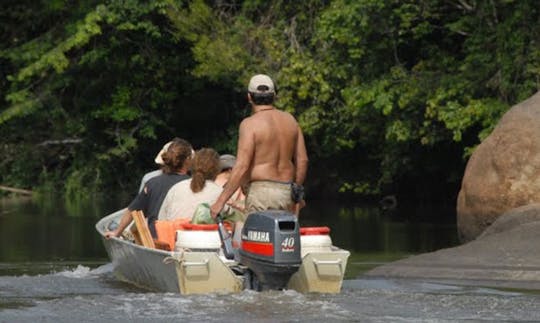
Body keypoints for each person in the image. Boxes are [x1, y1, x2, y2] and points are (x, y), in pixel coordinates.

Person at [210, 74, 309, 219]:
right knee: (283, 238)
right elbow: (303, 160)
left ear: (249, 97)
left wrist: (220, 201)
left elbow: (242, 165)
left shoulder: (249, 124)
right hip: (286, 191)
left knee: (258, 239)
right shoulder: (291, 121)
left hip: (261, 193)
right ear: (274, 96)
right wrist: (296, 190)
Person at [105, 138, 193, 239]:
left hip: (156, 241)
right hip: (185, 239)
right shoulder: (195, 185)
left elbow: (132, 211)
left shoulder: (152, 183)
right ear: (187, 160)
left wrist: (117, 232)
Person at [159, 148, 239, 221]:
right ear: (217, 170)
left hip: (175, 235)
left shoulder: (176, 189)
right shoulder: (220, 193)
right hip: (207, 235)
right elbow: (233, 217)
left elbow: (161, 219)